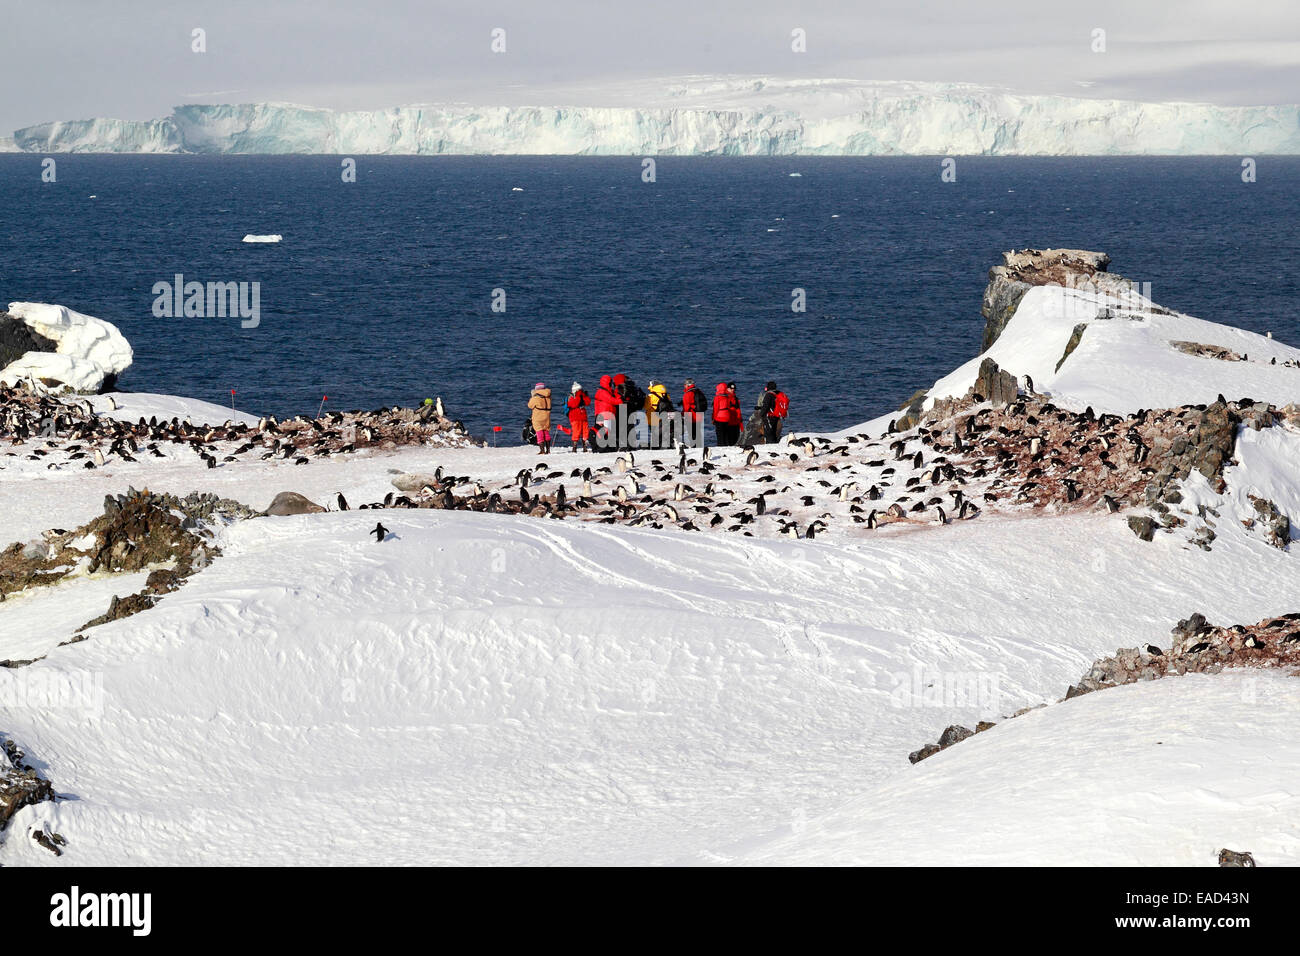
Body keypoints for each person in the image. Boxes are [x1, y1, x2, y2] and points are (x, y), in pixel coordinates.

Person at [712, 381, 742, 446]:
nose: (732, 390)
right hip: (729, 421)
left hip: (732, 421)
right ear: (727, 389)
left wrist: (714, 418)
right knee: (728, 438)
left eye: (734, 389)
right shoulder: (727, 397)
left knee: (728, 438)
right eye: (731, 389)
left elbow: (716, 409)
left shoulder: (734, 398)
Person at [593, 374, 618, 450]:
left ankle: (609, 447)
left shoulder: (607, 391)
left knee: (609, 432)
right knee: (606, 432)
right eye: (610, 383)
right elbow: (612, 401)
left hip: (608, 415)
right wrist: (621, 400)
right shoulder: (602, 392)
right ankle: (605, 447)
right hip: (604, 415)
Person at [646, 379, 673, 447]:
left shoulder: (651, 396)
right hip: (664, 416)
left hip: (653, 417)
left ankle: (656, 448)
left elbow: (646, 406)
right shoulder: (666, 395)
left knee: (655, 435)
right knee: (663, 433)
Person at [528, 382, 553, 455]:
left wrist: (532, 396)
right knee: (546, 432)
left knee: (539, 433)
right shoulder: (548, 397)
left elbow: (530, 405)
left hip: (538, 416)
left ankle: (542, 450)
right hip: (547, 416)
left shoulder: (535, 398)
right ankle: (548, 450)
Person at [567, 381, 592, 452]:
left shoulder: (581, 396)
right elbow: (573, 404)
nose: (580, 392)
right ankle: (574, 447)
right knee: (576, 431)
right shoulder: (571, 396)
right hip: (575, 417)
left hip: (583, 416)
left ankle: (585, 446)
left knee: (585, 431)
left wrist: (584, 396)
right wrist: (578, 396)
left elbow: (588, 402)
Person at [681, 378, 706, 446]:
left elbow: (686, 408)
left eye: (685, 384)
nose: (684, 386)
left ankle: (694, 446)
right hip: (699, 415)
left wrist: (682, 415)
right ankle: (699, 446)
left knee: (691, 434)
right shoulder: (698, 391)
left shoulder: (688, 393)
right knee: (698, 433)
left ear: (688, 385)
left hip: (691, 416)